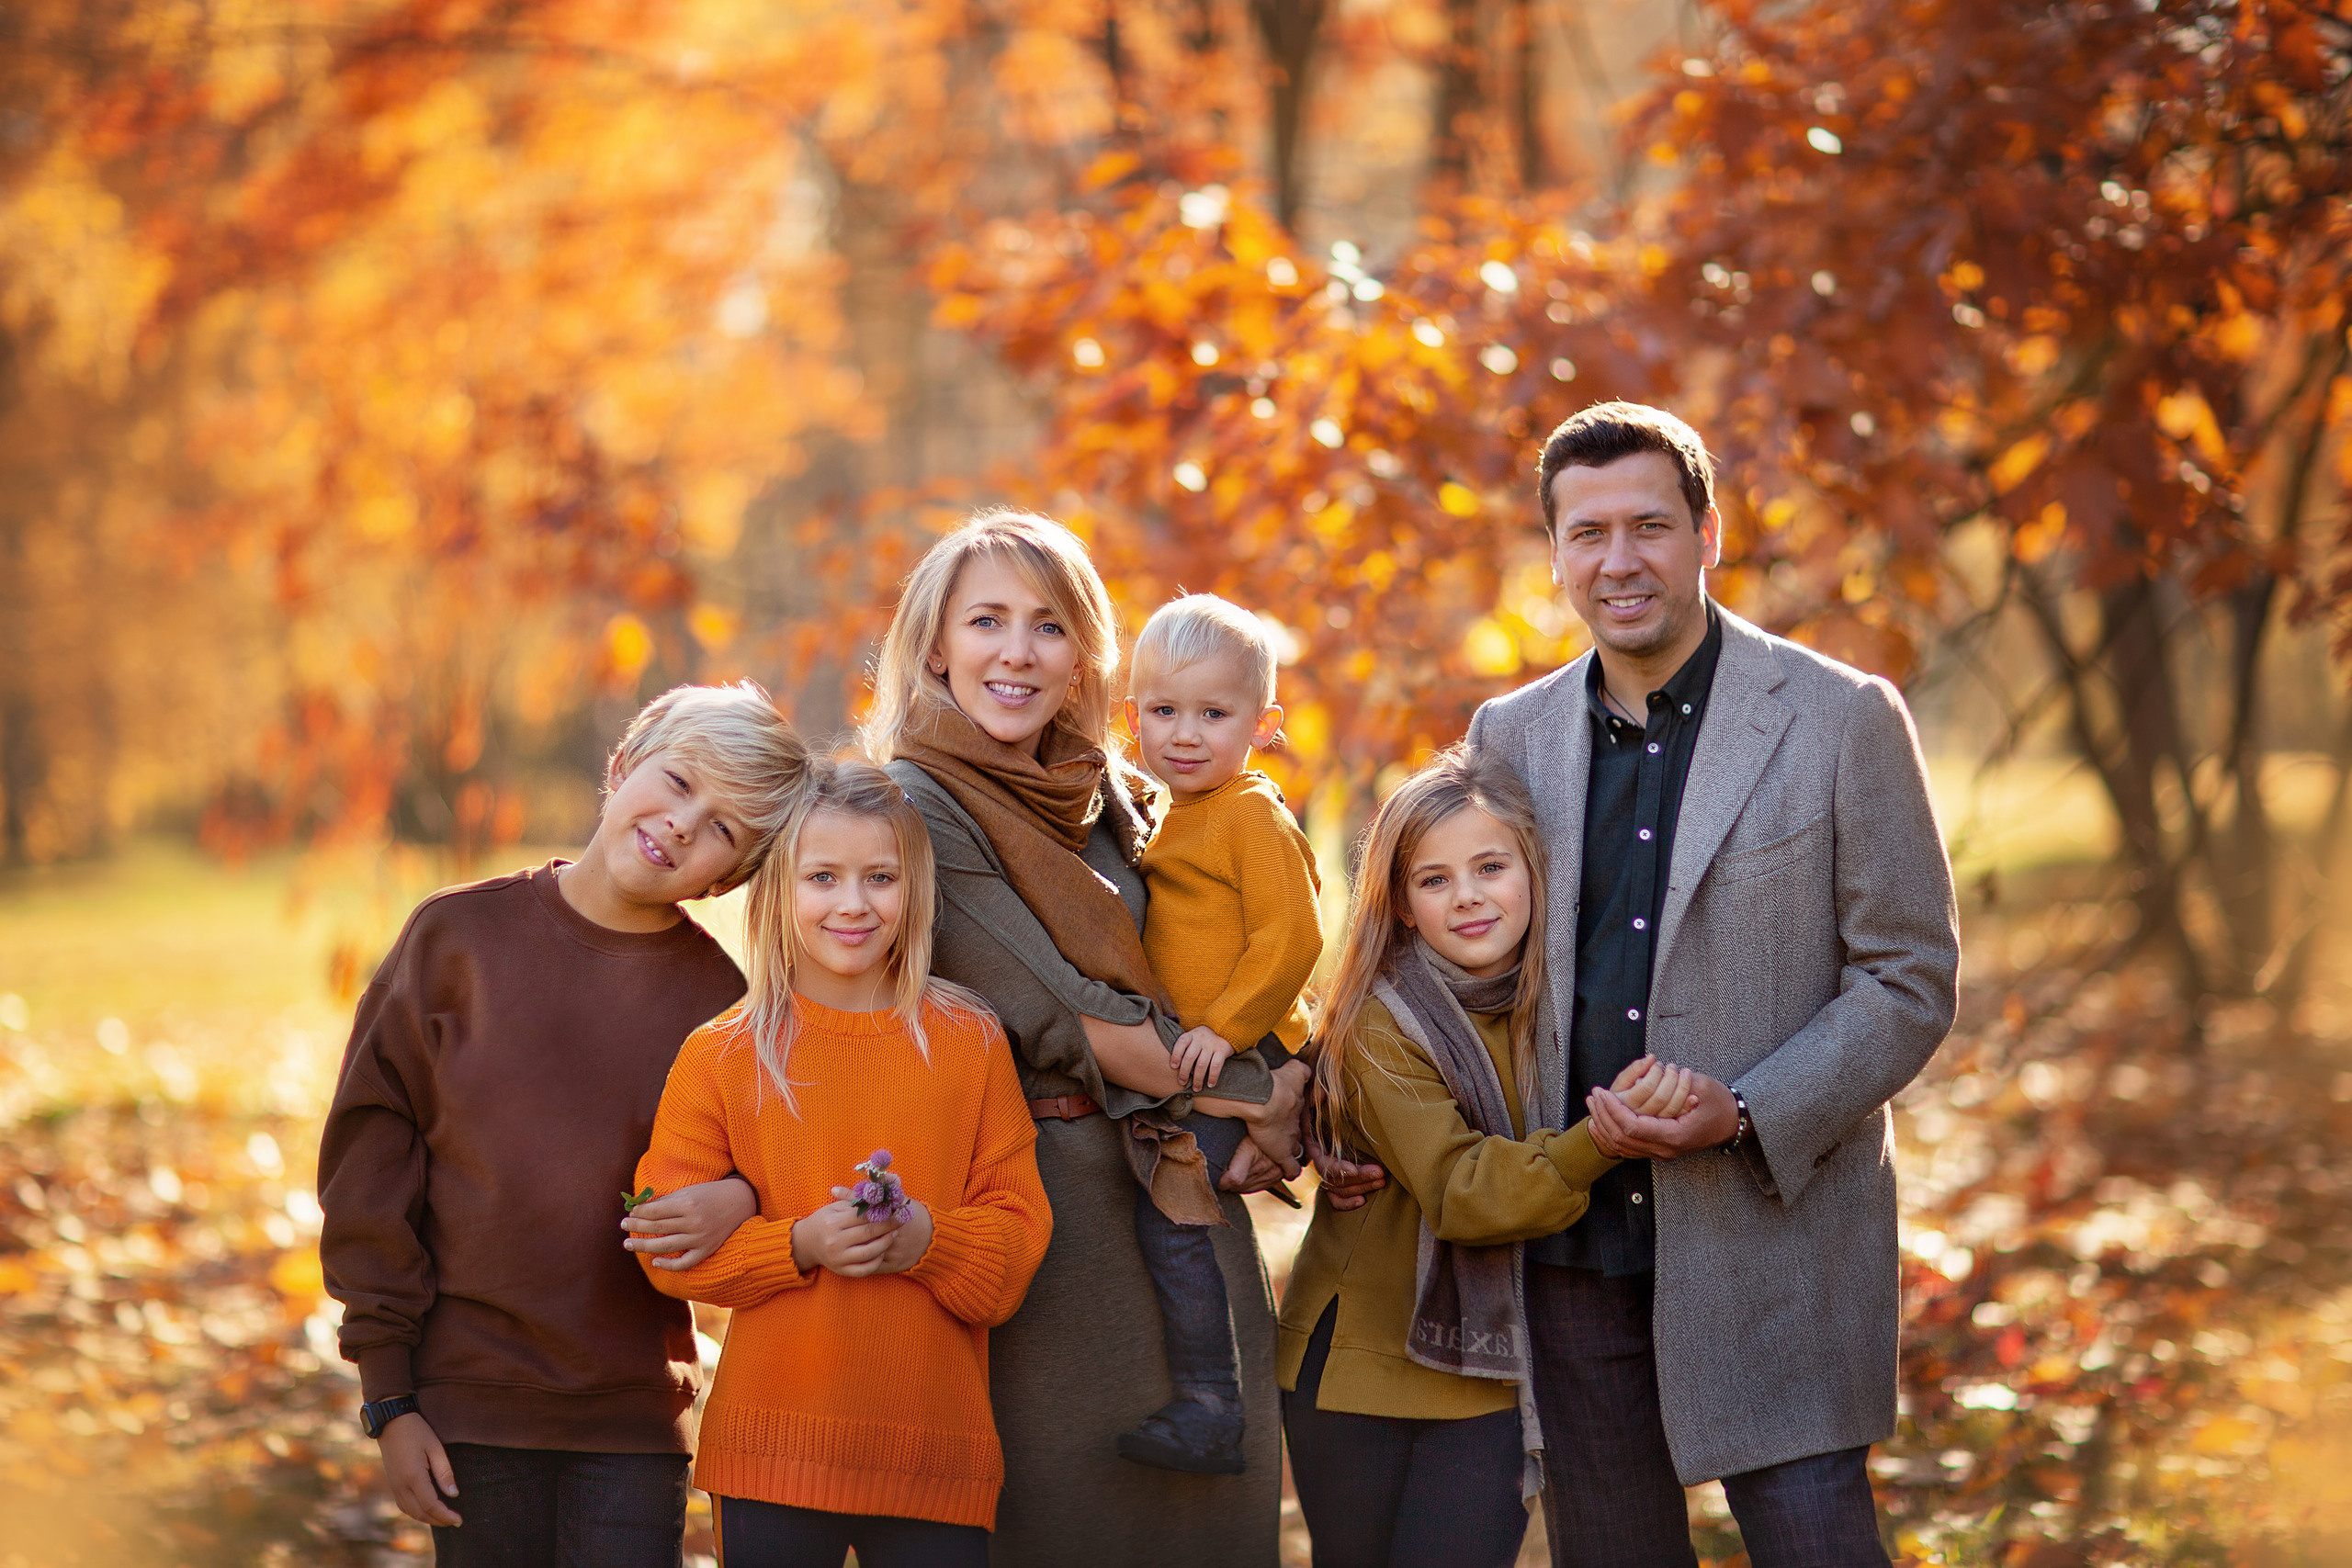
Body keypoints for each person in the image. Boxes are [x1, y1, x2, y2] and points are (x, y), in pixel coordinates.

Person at [1464, 400, 1962, 1568]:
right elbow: (1460, 966)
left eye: (1649, 525)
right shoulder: (1507, 736)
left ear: (1708, 533)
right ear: (1554, 554)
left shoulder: (1839, 718)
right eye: (1587, 533)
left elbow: (1908, 978)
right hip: (1573, 1244)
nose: (1619, 561)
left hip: (1773, 1237)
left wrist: (1741, 1109)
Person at [866, 508, 1308, 1566]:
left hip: (1179, 1195)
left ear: (1082, 659)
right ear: (937, 645)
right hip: (1056, 1224)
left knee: (1210, 1540)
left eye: (1049, 625)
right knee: (1075, 1524)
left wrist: (1298, 1080)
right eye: (986, 621)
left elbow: (1228, 950)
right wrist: (1266, 1099)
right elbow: (1063, 1009)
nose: (1017, 652)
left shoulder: (1117, 792)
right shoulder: (916, 803)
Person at [319, 682, 811, 1566]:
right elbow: (370, 1166)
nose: (682, 824)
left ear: (728, 877)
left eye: (724, 829)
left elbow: (783, 1172)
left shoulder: (723, 1004)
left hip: (633, 1415)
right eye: (678, 781)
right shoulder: (456, 937)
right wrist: (389, 1396)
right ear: (623, 763)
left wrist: (739, 1197)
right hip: (468, 1400)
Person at [630, 757, 1052, 1568]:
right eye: (823, 876)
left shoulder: (969, 1042)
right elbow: (663, 1246)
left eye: (879, 877)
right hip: (771, 1451)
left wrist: (927, 1239)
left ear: (914, 888)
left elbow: (1018, 1242)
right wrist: (795, 1244)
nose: (853, 903)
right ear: (780, 889)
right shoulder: (724, 1054)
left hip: (934, 1451)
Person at [1281, 745, 1692, 1568]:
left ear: (1536, 873)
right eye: (1434, 880)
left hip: (1491, 1368)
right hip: (1360, 1367)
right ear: (1401, 905)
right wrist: (1600, 1140)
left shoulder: (1561, 1007)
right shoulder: (1381, 1020)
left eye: (1490, 867)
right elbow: (1462, 1191)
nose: (1467, 895)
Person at [1114, 592, 1324, 1474]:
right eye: (1165, 712)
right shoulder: (1171, 813)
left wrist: (1225, 1028)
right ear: (1133, 720)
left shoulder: (1249, 814)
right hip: (1206, 1047)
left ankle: (1211, 1404)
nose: (1186, 734)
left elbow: (1293, 936)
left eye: (1214, 713)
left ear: (1263, 724)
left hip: (1244, 1045)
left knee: (1176, 1215)